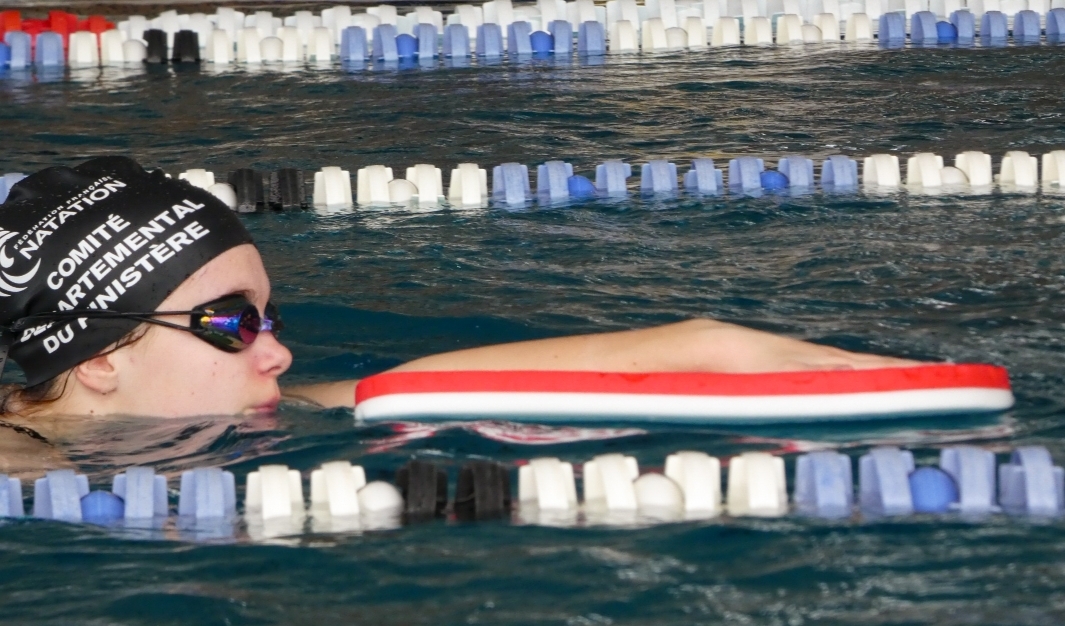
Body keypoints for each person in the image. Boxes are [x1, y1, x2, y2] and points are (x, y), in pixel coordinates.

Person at [0, 157, 916, 458]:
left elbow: (421, 384)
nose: (276, 353)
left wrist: (711, 344)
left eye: (267, 319)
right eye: (233, 324)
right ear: (99, 357)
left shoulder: (230, 415)